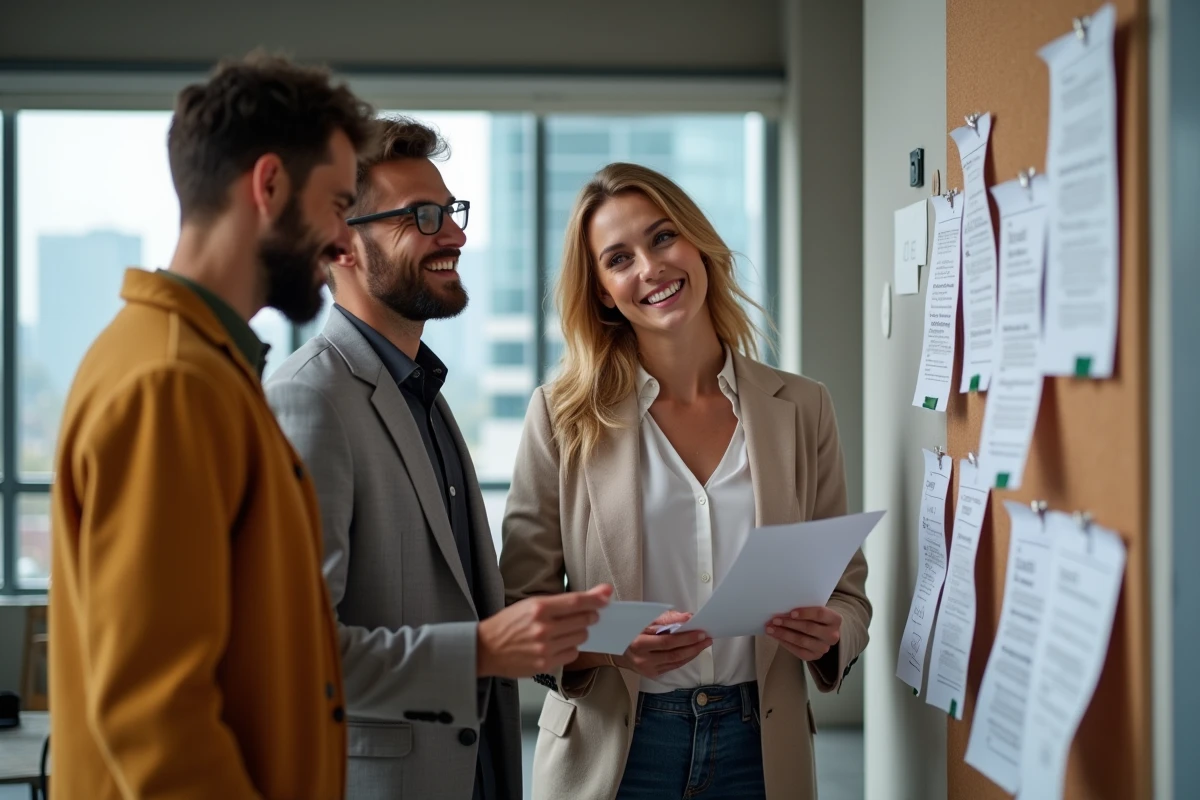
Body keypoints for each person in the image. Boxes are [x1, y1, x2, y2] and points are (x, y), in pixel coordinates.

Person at [48, 53, 376, 798]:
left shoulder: (199, 363)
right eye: (337, 205)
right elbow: (155, 711)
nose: (345, 241)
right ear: (268, 185)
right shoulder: (173, 383)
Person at [500, 162, 872, 799]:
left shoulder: (803, 407)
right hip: (619, 750)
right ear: (602, 292)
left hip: (760, 746)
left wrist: (833, 632)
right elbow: (520, 607)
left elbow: (849, 592)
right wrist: (613, 642)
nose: (650, 268)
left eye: (663, 237)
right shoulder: (561, 415)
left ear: (699, 245)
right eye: (619, 259)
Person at [266, 116, 611, 800]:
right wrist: (483, 651)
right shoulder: (309, 400)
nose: (454, 234)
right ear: (341, 245)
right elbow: (296, 657)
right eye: (422, 216)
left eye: (451, 211)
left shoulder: (422, 389)